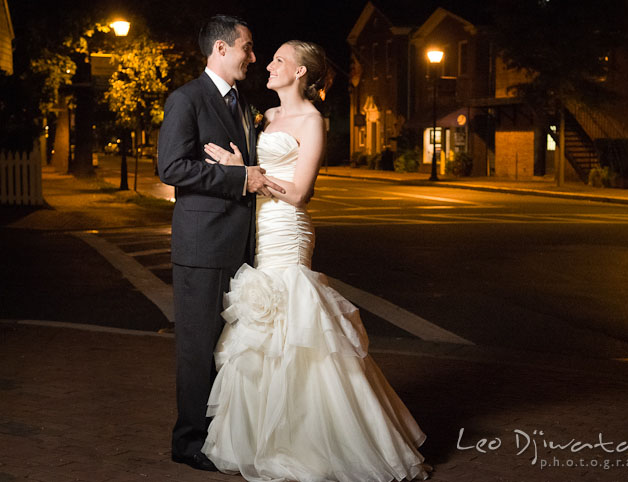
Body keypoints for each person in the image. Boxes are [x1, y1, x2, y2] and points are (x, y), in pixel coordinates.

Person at [200, 40, 430, 481]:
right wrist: (237, 167)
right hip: (261, 227)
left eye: (279, 60)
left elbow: (302, 192)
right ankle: (263, 436)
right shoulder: (264, 118)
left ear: (301, 72)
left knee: (297, 321)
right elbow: (253, 173)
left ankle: (314, 440)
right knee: (263, 329)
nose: (268, 64)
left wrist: (251, 175)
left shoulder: (312, 121)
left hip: (288, 227)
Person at [157, 15, 284, 472]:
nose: (253, 57)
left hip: (240, 244)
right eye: (248, 48)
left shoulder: (243, 103)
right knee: (197, 346)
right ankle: (189, 442)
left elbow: (247, 167)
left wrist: (244, 167)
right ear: (221, 50)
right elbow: (172, 168)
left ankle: (223, 436)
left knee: (229, 346)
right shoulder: (186, 100)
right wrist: (238, 176)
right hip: (202, 246)